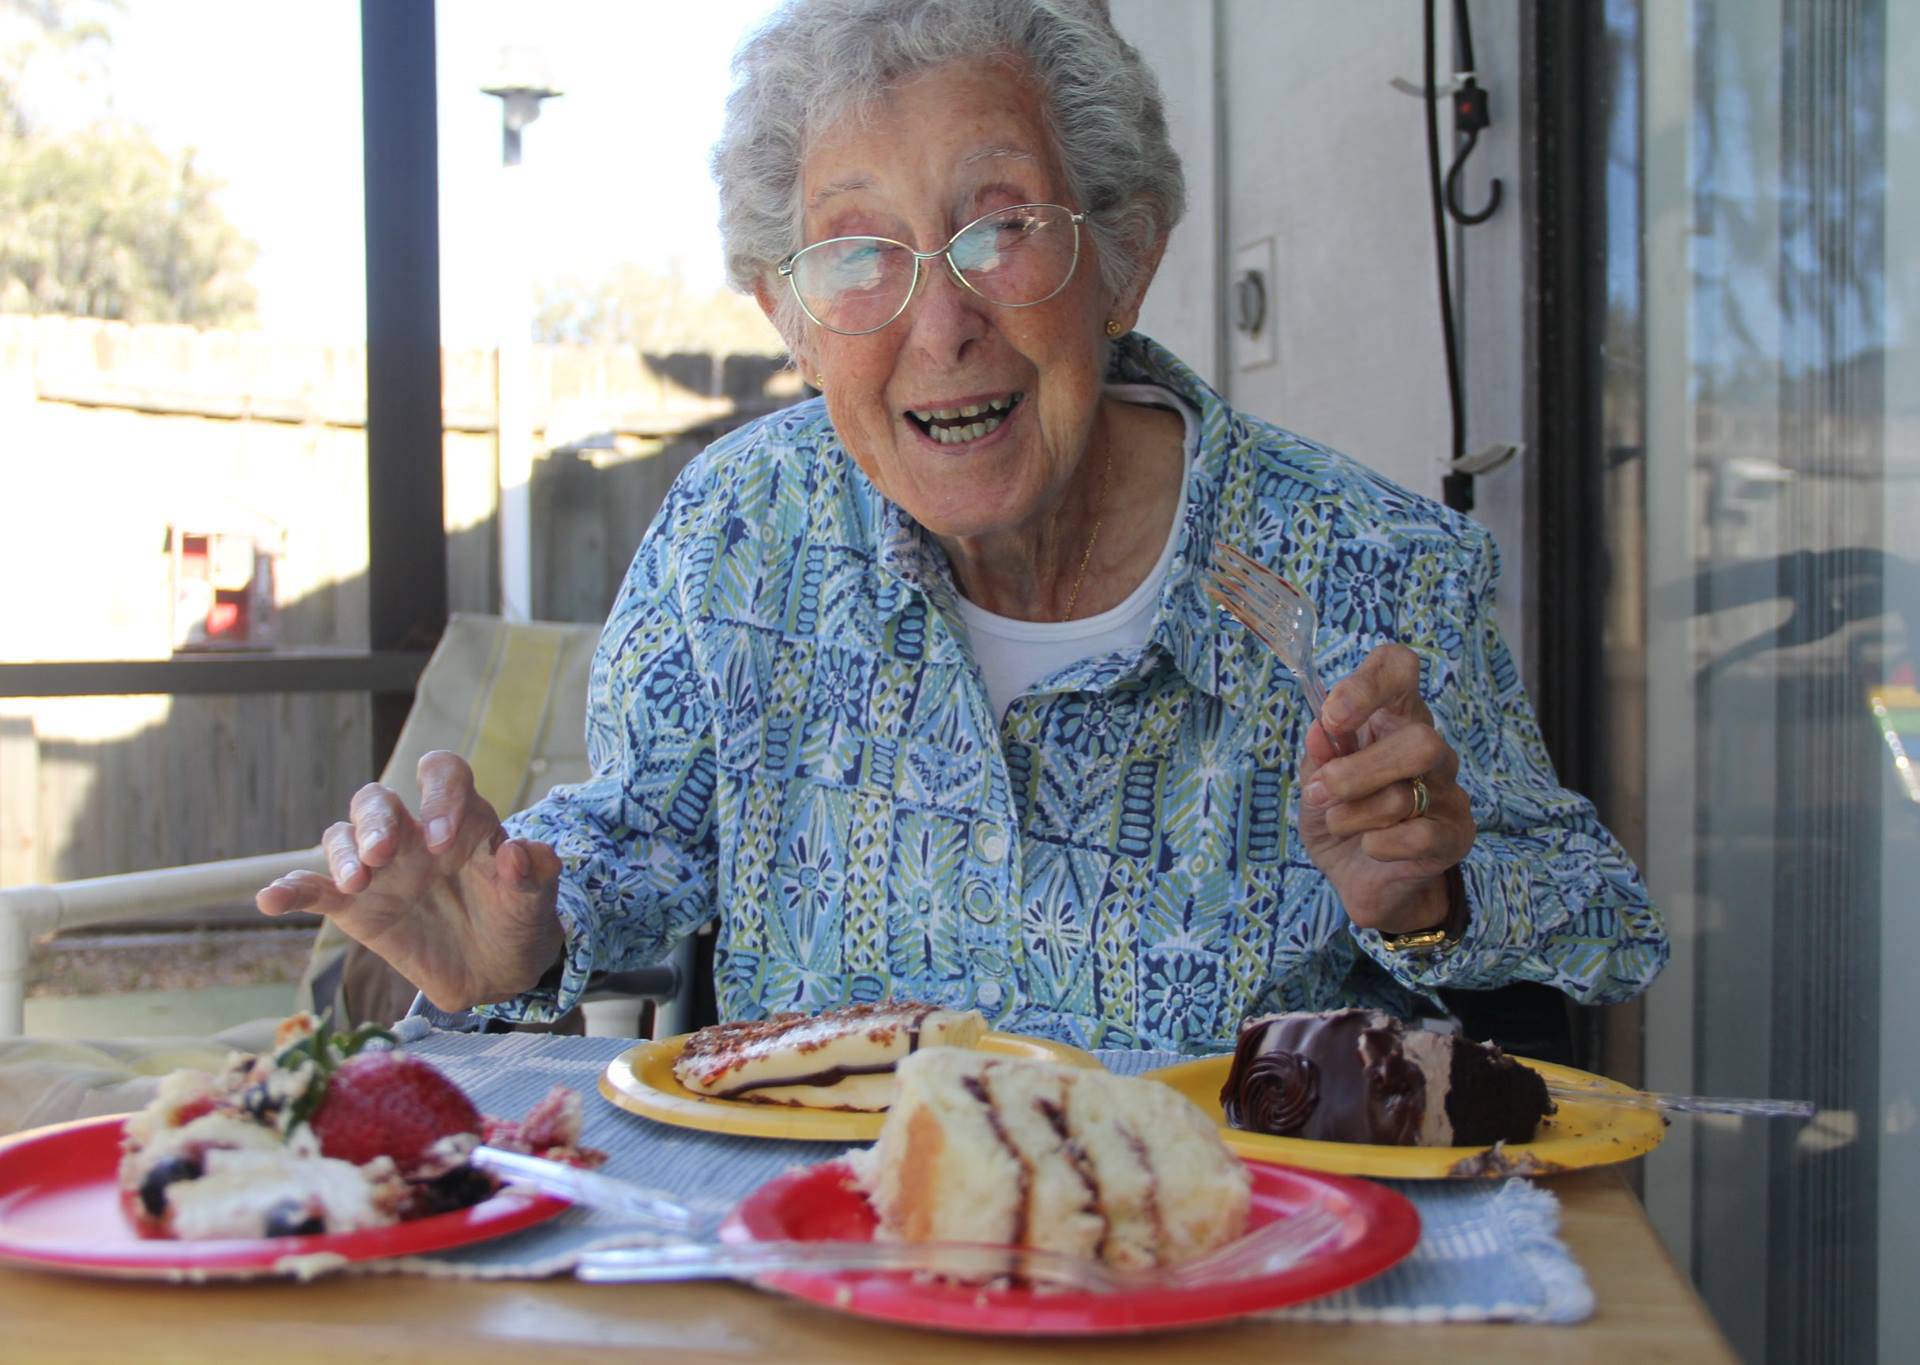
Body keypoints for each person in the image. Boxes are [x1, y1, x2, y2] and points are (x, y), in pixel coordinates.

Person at [257, 0, 1666, 1054]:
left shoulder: (1368, 570)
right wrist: (526, 929)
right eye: (859, 252)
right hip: (832, 1278)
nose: (942, 324)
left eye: (1001, 228)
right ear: (789, 319)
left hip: (1226, 1291)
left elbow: (1596, 922)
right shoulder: (740, 538)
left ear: (1124, 255)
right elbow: (637, 841)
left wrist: (1431, 897)